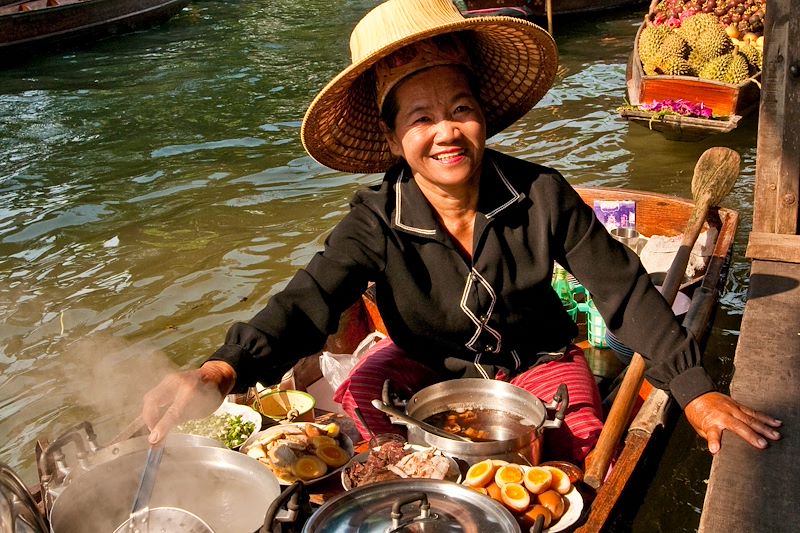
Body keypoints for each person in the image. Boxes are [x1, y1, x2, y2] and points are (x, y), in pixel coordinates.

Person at [142, 0, 780, 462]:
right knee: (362, 419)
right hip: (425, 365)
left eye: (461, 110)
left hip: (538, 363)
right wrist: (223, 370)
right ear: (394, 138)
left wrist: (695, 392)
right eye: (420, 119)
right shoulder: (374, 218)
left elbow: (625, 293)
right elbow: (308, 299)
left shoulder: (541, 194)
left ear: (484, 119)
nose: (445, 132)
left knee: (579, 447)